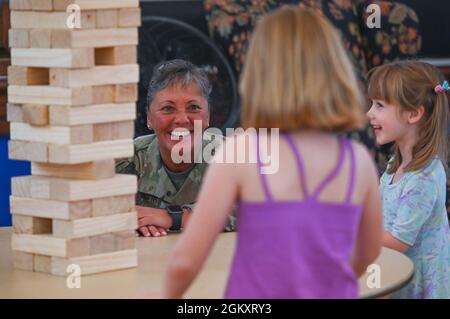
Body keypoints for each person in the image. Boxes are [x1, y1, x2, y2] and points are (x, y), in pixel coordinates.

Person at [162, 7, 382, 298]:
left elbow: (185, 262)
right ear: (336, 72)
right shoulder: (358, 160)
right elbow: (368, 252)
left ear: (259, 74)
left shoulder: (242, 152)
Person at [116, 59, 236, 237]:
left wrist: (174, 218)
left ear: (207, 116)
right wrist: (127, 220)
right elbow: (88, 209)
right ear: (149, 118)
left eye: (193, 107)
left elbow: (258, 208)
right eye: (167, 109)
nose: (181, 119)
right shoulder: (127, 160)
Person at [367, 60, 450, 298]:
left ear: (413, 114)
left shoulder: (423, 178)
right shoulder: (395, 164)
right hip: (399, 273)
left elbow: (397, 242)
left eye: (379, 105)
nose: (369, 113)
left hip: (418, 285)